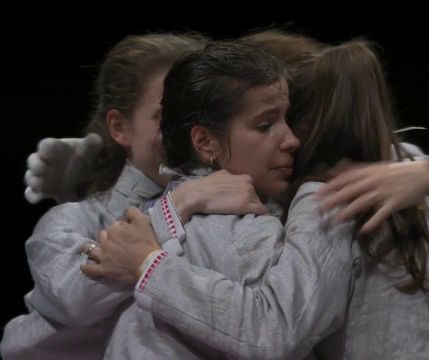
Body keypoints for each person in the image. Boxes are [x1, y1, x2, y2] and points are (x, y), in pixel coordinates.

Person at [82, 38, 429, 359]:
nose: (286, 140)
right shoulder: (253, 209)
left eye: (282, 120)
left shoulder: (370, 183)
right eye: (264, 123)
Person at [1, 33, 266, 360]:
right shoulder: (74, 220)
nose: (187, 132)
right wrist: (178, 205)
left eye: (200, 114)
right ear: (119, 127)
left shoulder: (240, 201)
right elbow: (74, 299)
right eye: (165, 116)